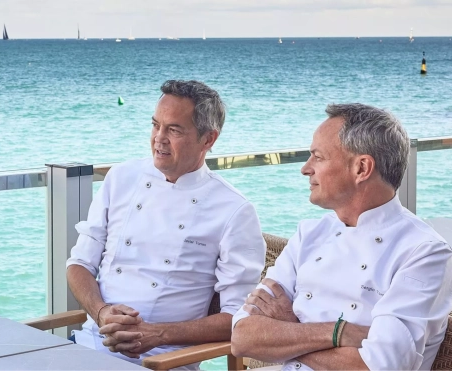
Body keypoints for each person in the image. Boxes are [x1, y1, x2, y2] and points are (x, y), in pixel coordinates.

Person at [230, 103, 452, 370]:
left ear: (361, 168)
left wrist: (289, 330)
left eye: (318, 157)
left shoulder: (423, 252)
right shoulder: (309, 234)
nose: (305, 168)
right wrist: (338, 332)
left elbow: (379, 366)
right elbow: (242, 337)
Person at [66, 80, 266, 369]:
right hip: (88, 346)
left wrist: (157, 334)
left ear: (208, 139)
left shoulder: (234, 211)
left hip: (163, 361)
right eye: (155, 125)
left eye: (174, 130)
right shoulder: (121, 178)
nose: (159, 138)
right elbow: (79, 264)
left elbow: (239, 319)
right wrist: (101, 312)